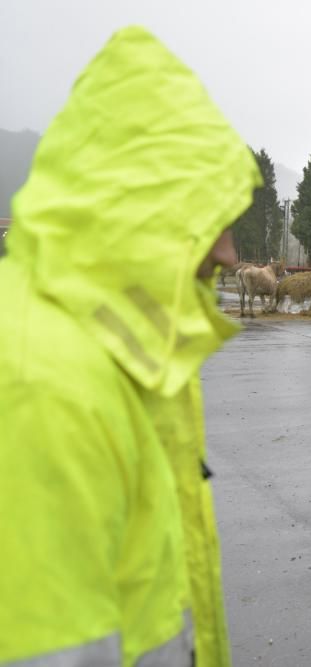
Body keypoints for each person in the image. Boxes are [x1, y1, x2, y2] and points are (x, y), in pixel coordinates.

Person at [0, 27, 261, 666]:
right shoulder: (42, 387)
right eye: (208, 217)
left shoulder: (129, 349)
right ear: (142, 209)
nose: (230, 253)